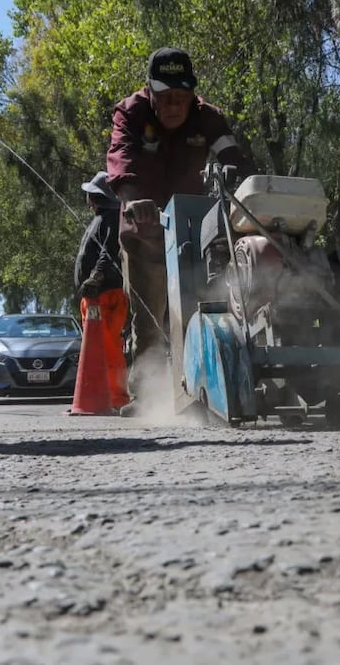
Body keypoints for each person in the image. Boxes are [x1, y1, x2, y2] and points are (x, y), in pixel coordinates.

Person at [106, 46, 254, 417]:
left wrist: (245, 187)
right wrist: (132, 200)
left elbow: (234, 160)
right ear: (150, 92)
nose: (174, 106)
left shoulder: (208, 119)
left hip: (193, 227)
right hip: (145, 229)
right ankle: (149, 396)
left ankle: (201, 382)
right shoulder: (130, 113)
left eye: (182, 97)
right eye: (166, 97)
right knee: (150, 311)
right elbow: (120, 155)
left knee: (202, 300)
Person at [75, 171, 130, 412]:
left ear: (95, 196)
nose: (87, 197)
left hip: (105, 294)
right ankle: (104, 396)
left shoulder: (109, 218)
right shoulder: (106, 218)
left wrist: (96, 278)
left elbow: (109, 252)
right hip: (100, 294)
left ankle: (116, 398)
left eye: (90, 193)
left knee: (107, 346)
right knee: (101, 346)